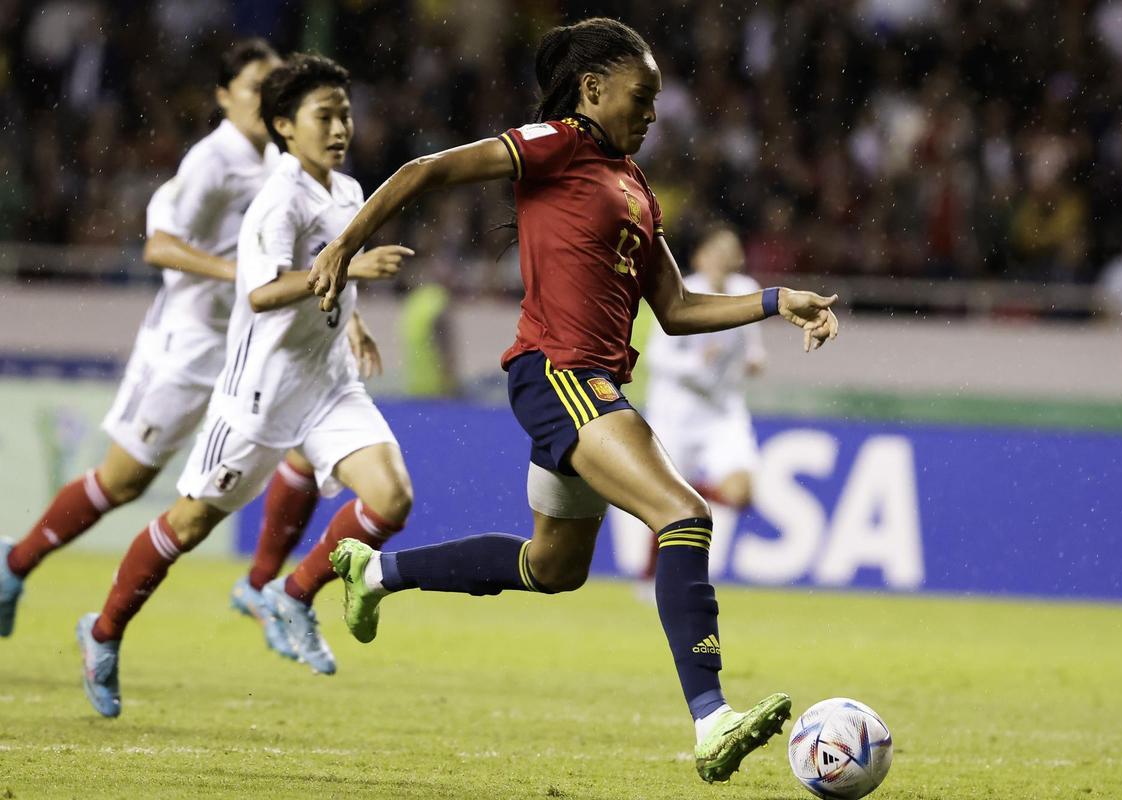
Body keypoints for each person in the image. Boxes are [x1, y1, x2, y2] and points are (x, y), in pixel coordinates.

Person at [309, 18, 838, 783]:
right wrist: (344, 246)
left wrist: (773, 299)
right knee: (683, 516)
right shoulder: (556, 143)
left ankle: (379, 573)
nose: (652, 114)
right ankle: (712, 719)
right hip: (560, 375)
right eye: (641, 96)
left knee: (553, 567)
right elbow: (424, 170)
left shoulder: (637, 188)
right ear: (592, 89)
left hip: (590, 384)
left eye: (656, 101)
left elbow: (680, 309)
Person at [0, 40, 373, 647]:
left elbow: (315, 253)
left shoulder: (286, 166)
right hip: (192, 343)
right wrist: (247, 274)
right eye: (254, 86)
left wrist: (345, 314)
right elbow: (159, 244)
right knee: (123, 482)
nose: (266, 96)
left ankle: (259, 585)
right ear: (224, 96)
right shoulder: (215, 160)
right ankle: (15, 566)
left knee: (310, 447)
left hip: (258, 344)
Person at [76, 53, 415, 717]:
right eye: (325, 116)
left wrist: (354, 323)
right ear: (285, 126)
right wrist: (351, 268)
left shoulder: (345, 191)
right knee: (189, 522)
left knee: (392, 497)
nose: (341, 126)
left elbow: (327, 277)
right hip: (260, 394)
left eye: (345, 113)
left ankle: (292, 595)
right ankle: (104, 630)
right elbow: (261, 294)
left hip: (327, 383)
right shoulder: (277, 200)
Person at [637, 225, 765, 590]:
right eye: (716, 251)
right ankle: (648, 577)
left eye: (730, 251)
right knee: (664, 506)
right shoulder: (681, 291)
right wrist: (697, 363)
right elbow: (657, 358)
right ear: (700, 257)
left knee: (741, 493)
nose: (724, 259)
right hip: (676, 413)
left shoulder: (745, 290)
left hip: (723, 411)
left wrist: (756, 359)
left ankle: (691, 492)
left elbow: (752, 344)